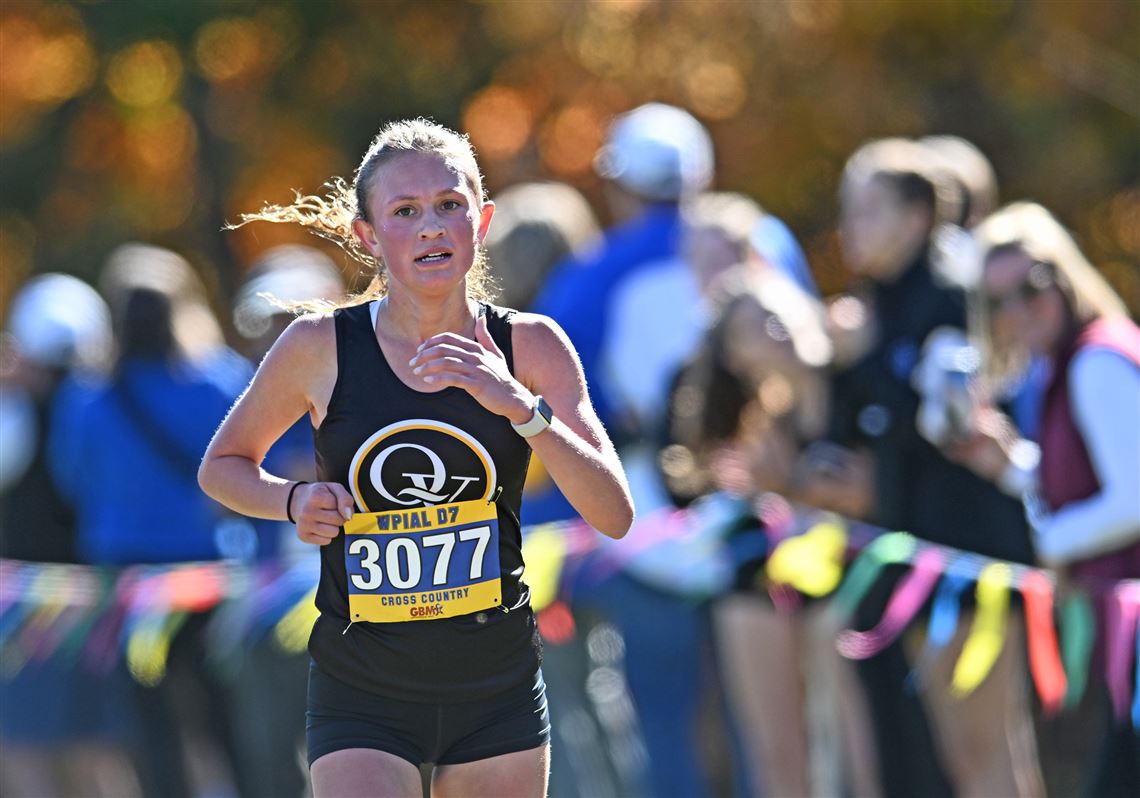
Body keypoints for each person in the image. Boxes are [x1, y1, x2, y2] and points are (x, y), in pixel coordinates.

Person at [198, 118, 634, 797]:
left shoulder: (531, 346)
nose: (431, 226)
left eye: (449, 205)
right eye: (405, 212)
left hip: (497, 687)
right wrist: (291, 500)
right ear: (366, 235)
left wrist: (519, 406)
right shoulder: (321, 347)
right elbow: (221, 465)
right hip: (363, 688)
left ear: (481, 220)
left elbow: (613, 512)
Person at [808, 138, 1043, 798]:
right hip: (908, 555)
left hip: (970, 556)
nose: (851, 228)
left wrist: (864, 361)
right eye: (847, 210)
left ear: (917, 218)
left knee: (986, 753)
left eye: (869, 211)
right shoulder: (872, 303)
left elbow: (942, 423)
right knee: (943, 755)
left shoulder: (953, 296)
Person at [48, 244, 253, 798]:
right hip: (210, 571)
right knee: (224, 710)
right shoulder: (222, 382)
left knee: (147, 715)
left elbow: (71, 479)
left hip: (125, 576)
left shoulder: (87, 397)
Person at [955, 201, 1139, 797]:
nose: (1016, 311)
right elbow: (1093, 482)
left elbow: (1134, 498)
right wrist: (1011, 471)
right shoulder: (1069, 364)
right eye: (995, 301)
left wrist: (1051, 544)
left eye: (1030, 288)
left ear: (1063, 278)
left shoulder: (1095, 362)